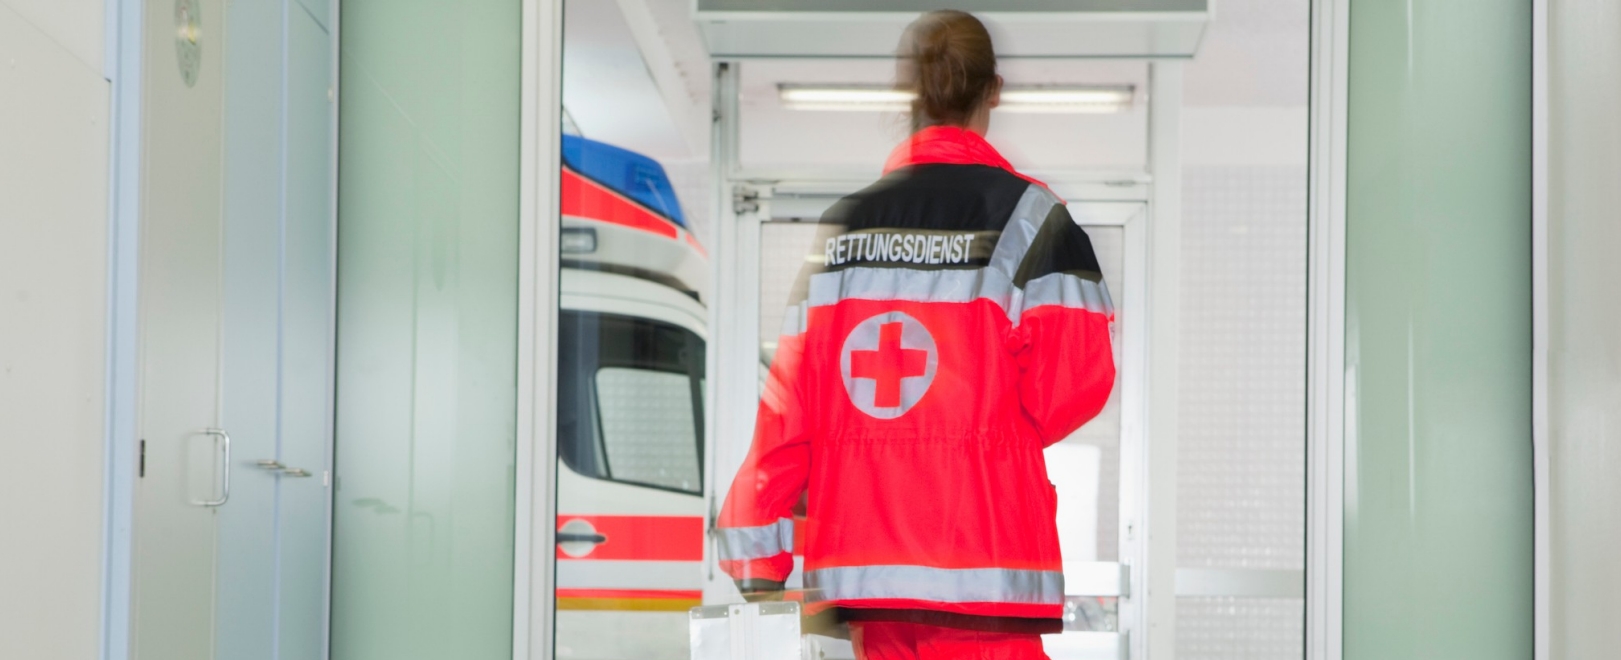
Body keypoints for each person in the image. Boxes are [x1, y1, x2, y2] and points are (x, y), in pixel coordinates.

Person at [715, 10, 1116, 660]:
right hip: (983, 564)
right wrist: (988, 429)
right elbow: (1072, 386)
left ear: (912, 94)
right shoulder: (1032, 219)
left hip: (865, 573)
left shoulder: (847, 227)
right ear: (995, 90)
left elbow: (792, 403)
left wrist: (753, 551)